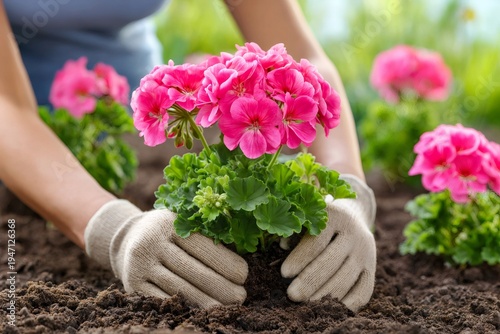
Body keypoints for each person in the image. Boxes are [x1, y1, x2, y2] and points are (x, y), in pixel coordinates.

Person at [0, 0, 376, 311]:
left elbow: (302, 55)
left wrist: (350, 191)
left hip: (143, 123)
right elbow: (6, 107)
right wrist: (113, 228)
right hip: (22, 150)